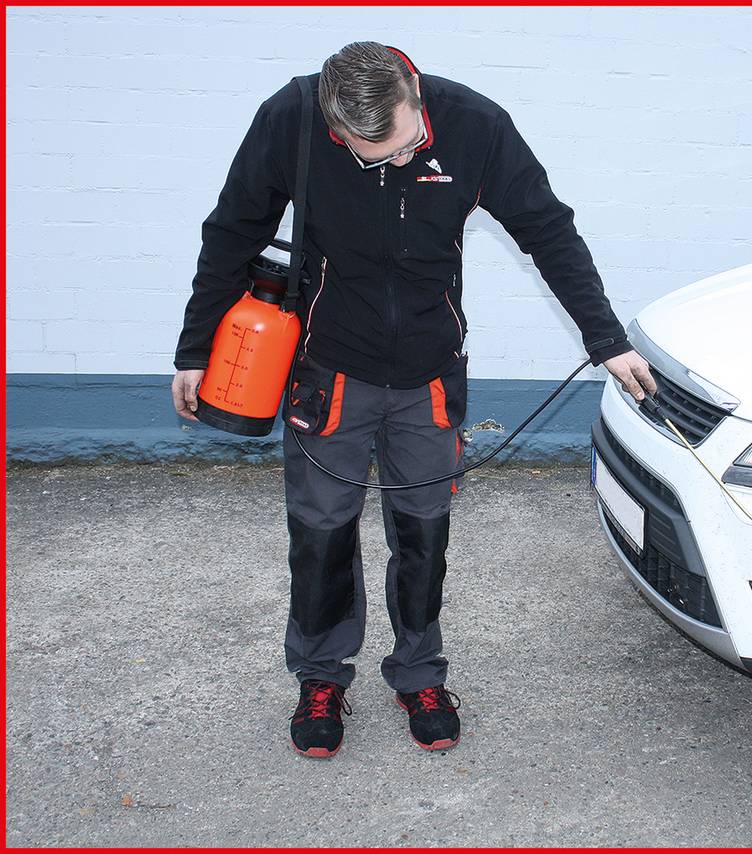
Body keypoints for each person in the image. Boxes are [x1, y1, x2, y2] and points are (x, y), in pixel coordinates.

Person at [171, 41, 656, 758]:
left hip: (430, 373)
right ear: (334, 125)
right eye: (368, 153)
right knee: (321, 534)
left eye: (403, 144)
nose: (393, 162)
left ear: (414, 95)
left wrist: (606, 337)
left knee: (423, 535)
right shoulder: (291, 119)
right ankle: (321, 676)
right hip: (328, 371)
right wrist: (193, 350)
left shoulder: (474, 123)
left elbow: (548, 231)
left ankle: (419, 673)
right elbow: (232, 230)